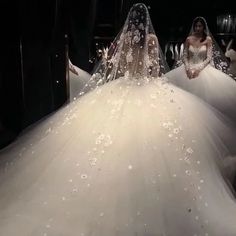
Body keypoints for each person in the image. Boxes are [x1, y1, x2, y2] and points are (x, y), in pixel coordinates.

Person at [0, 4, 236, 236]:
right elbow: (154, 68)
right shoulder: (152, 40)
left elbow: (115, 65)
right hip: (145, 86)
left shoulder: (124, 39)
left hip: (123, 86)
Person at [165, 16, 236, 122]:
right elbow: (184, 56)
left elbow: (208, 57)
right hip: (188, 68)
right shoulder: (189, 39)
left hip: (203, 69)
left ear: (203, 27)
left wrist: (198, 69)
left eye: (200, 26)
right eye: (196, 26)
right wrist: (188, 68)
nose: (198, 28)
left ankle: (202, 121)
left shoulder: (207, 39)